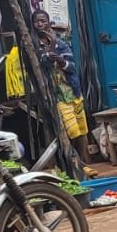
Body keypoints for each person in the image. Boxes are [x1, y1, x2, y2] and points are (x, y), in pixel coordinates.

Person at [32, 10, 92, 163]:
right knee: (71, 130)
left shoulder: (62, 43)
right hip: (56, 95)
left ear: (49, 22)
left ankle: (84, 162)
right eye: (37, 21)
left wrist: (58, 56)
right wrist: (51, 44)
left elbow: (71, 67)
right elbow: (45, 64)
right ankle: (75, 162)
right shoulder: (34, 46)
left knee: (82, 128)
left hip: (72, 91)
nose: (40, 24)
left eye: (43, 21)